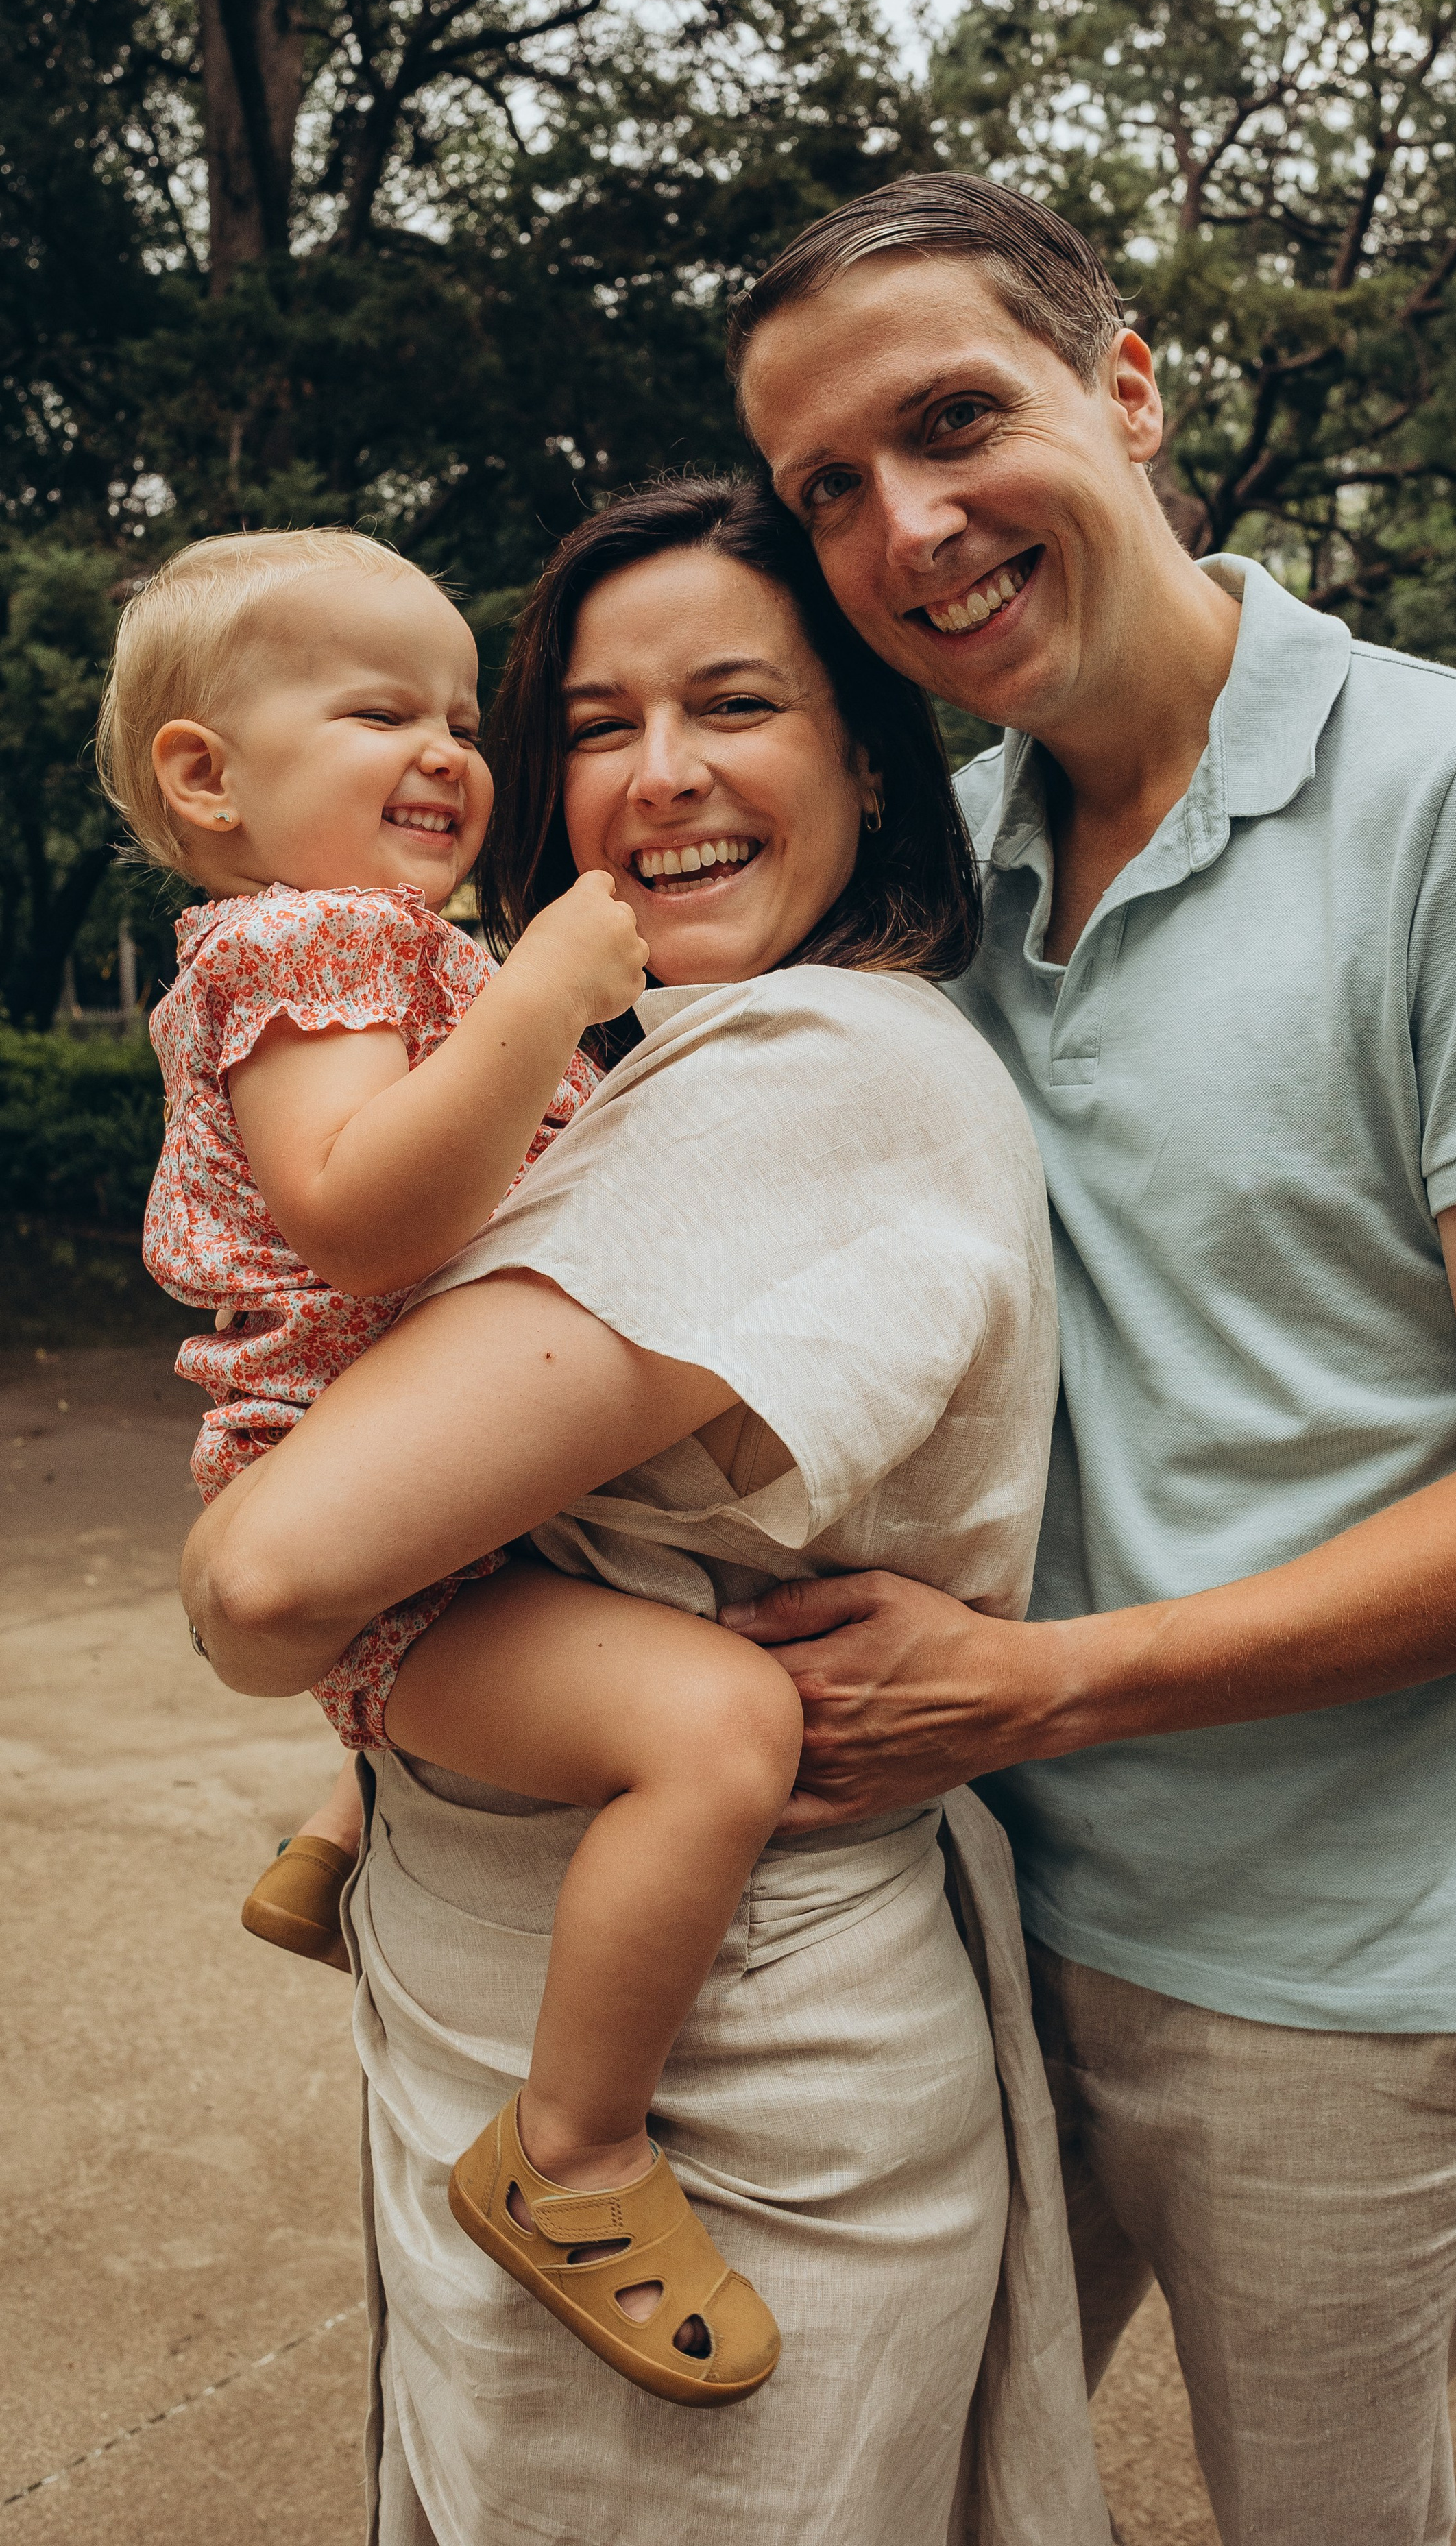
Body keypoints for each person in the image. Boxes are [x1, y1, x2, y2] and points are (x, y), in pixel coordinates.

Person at [720, 174, 1456, 2543]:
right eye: (828, 488)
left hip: (1331, 1971)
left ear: (1131, 389)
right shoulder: (929, 865)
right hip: (959, 1907)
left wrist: (1037, 1685)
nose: (904, 528)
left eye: (957, 421)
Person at [181, 481, 1112, 2543]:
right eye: (598, 724)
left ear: (871, 761)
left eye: (735, 704)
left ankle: (568, 2150)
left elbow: (268, 1577)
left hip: (723, 2074)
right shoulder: (638, 1049)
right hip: (528, 1962)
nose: (660, 772)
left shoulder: (812, 1066)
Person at [113, 524, 808, 2406]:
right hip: (389, 1524)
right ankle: (572, 2154)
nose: (445, 750)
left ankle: (344, 1820)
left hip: (433, 1494)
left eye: (457, 715)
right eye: (377, 712)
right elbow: (364, 1219)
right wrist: (541, 996)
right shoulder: (309, 943)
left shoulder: (379, 950)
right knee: (719, 1727)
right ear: (210, 778)